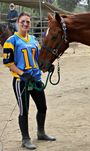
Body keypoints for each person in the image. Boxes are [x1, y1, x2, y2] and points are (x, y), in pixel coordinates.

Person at [2, 12, 55, 150]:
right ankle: (25, 139)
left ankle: (41, 132)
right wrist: (22, 74)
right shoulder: (11, 41)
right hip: (22, 82)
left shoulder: (33, 40)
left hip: (35, 79)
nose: (25, 24)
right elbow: (8, 62)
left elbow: (37, 59)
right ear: (17, 23)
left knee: (42, 107)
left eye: (28, 22)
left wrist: (47, 66)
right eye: (23, 21)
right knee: (23, 110)